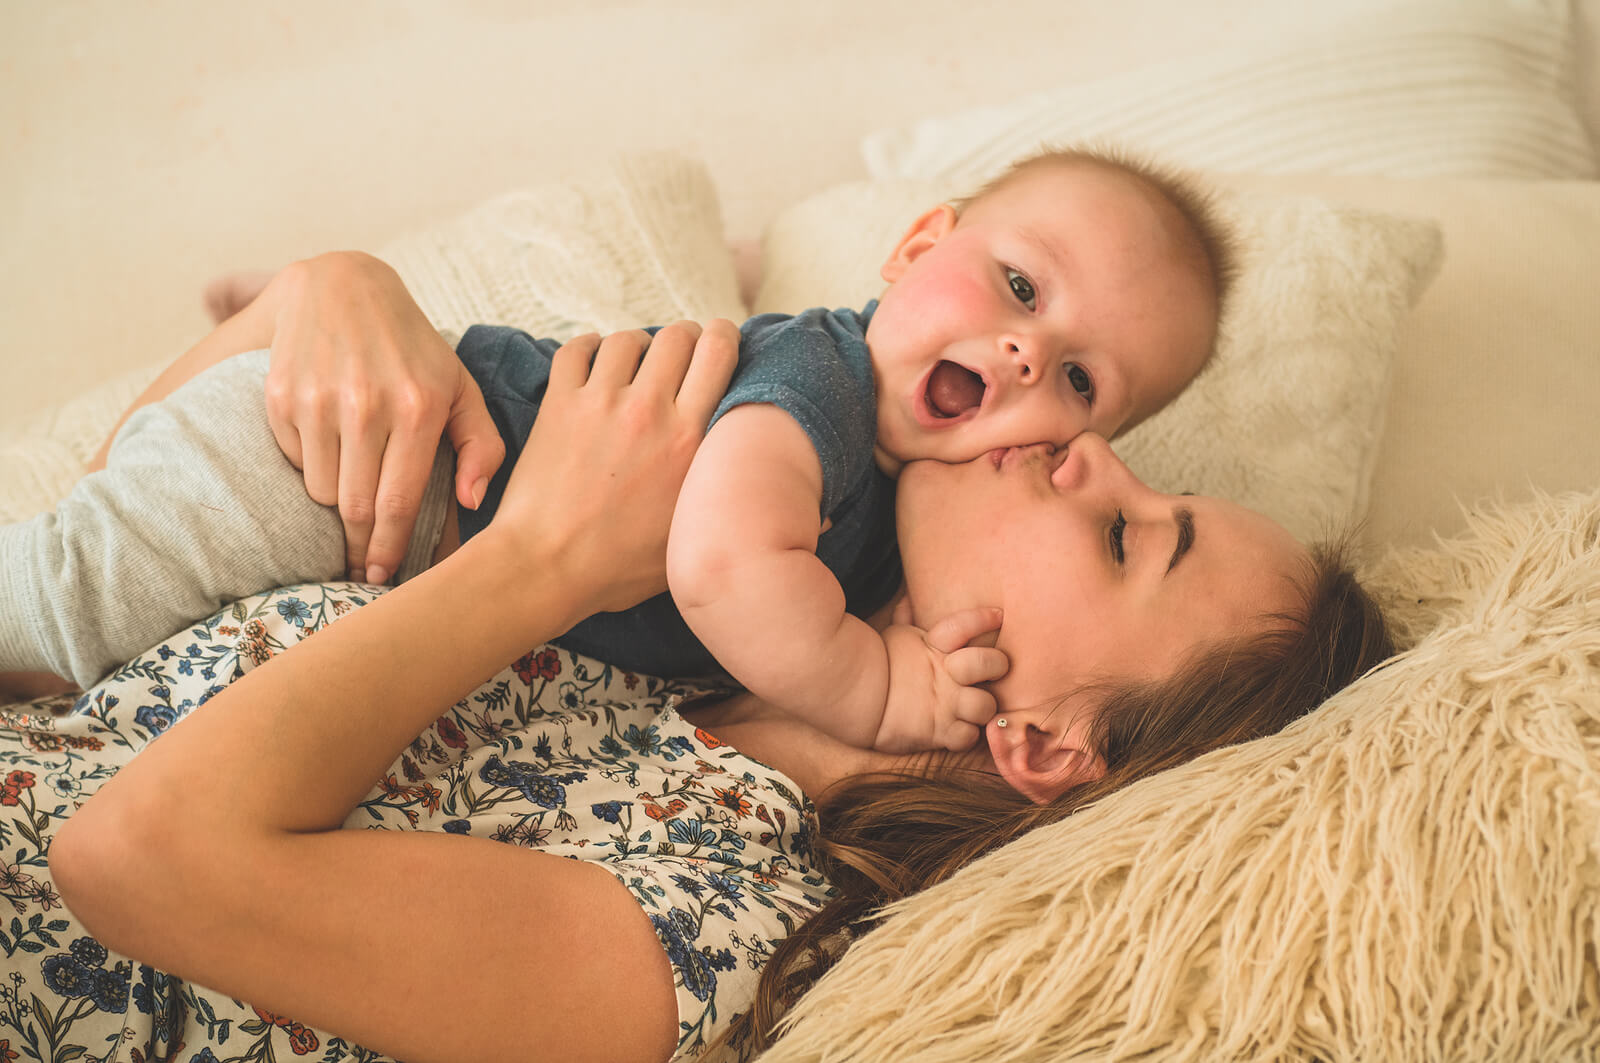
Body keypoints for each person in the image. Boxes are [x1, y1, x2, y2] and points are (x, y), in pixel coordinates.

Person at [28, 322, 1394, 1063]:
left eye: (1126, 535)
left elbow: (133, 856)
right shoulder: (677, 622)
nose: (1088, 454)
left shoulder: (715, 927)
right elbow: (100, 574)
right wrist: (327, 304)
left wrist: (543, 557)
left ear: (1041, 739)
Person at [0, 147, 1236, 753]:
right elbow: (718, 563)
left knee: (77, 678)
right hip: (341, 465)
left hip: (376, 531)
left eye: (1078, 377)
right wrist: (878, 685)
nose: (1025, 354)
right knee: (55, 619)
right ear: (915, 249)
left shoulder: (889, 514)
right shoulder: (820, 386)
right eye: (1018, 285)